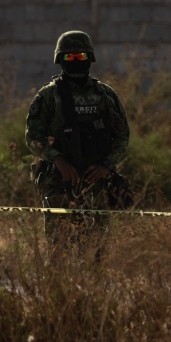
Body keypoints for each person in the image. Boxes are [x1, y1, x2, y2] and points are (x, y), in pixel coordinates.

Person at [25, 30, 131, 253]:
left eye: (80, 57)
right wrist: (59, 160)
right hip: (60, 180)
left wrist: (106, 166)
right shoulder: (48, 96)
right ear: (60, 60)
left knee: (97, 250)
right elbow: (33, 137)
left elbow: (122, 136)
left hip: (97, 182)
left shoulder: (105, 95)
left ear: (89, 58)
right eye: (69, 57)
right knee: (58, 248)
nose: (75, 61)